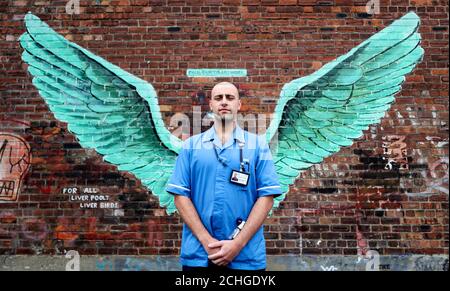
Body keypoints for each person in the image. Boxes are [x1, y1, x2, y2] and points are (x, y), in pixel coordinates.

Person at [165, 82, 282, 271]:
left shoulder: (258, 146)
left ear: (239, 104)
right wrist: (207, 242)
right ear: (210, 105)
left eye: (230, 97)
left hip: (246, 257)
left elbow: (266, 197)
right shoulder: (191, 147)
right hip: (200, 255)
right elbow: (180, 196)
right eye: (219, 98)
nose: (224, 102)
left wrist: (237, 244)